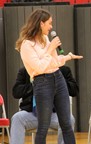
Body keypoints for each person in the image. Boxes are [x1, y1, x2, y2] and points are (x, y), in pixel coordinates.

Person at [15, 8, 83, 144]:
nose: (51, 27)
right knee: (43, 127)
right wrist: (50, 48)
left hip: (58, 78)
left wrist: (68, 57)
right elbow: (39, 67)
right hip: (42, 82)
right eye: (49, 23)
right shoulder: (26, 45)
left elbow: (54, 62)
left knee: (67, 124)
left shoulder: (45, 39)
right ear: (41, 23)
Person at [10, 65, 78, 144]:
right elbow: (16, 92)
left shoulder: (63, 70)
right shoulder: (26, 70)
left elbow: (74, 91)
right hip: (33, 113)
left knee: (70, 119)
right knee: (17, 118)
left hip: (54, 114)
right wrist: (36, 85)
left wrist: (58, 80)